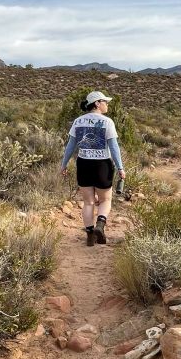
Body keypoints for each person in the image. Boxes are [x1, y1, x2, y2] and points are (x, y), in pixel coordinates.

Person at [61, 90, 126, 246]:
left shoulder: (78, 121)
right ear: (97, 103)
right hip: (102, 165)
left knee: (88, 202)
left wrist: (63, 165)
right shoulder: (107, 122)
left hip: (83, 164)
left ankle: (90, 236)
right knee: (105, 200)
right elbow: (114, 147)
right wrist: (120, 167)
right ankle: (100, 225)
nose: (107, 104)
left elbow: (71, 145)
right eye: (105, 101)